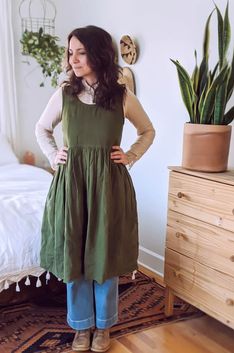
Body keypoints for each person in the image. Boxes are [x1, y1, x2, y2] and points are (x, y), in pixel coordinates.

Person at [35, 25, 155, 352]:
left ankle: (103, 327)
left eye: (81, 52)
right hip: (72, 182)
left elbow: (147, 131)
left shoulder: (122, 95)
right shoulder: (64, 93)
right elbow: (42, 128)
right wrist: (52, 154)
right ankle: (80, 326)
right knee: (75, 254)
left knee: (105, 255)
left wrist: (128, 156)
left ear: (99, 53)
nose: (73, 59)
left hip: (108, 185)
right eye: (70, 52)